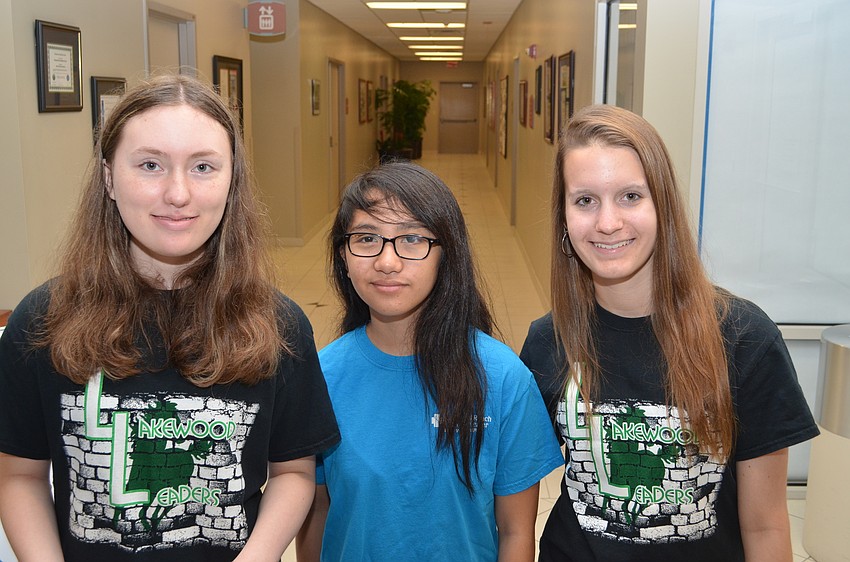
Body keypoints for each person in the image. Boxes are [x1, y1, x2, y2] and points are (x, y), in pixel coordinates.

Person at [0, 74, 340, 561]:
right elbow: (19, 476)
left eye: (203, 166)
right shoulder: (41, 321)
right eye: (151, 165)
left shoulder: (278, 325)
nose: (178, 193)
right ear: (109, 178)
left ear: (231, 180)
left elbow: (292, 472)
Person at [519, 104, 819, 562]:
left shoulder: (745, 339)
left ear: (663, 202)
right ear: (563, 215)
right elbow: (510, 495)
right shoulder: (548, 340)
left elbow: (765, 526)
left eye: (630, 196)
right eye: (585, 200)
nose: (607, 223)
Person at [296, 161, 563, 561]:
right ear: (343, 258)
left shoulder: (503, 378)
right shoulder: (322, 378)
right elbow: (316, 517)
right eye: (367, 238)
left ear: (446, 255)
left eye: (412, 240)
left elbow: (516, 534)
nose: (387, 261)